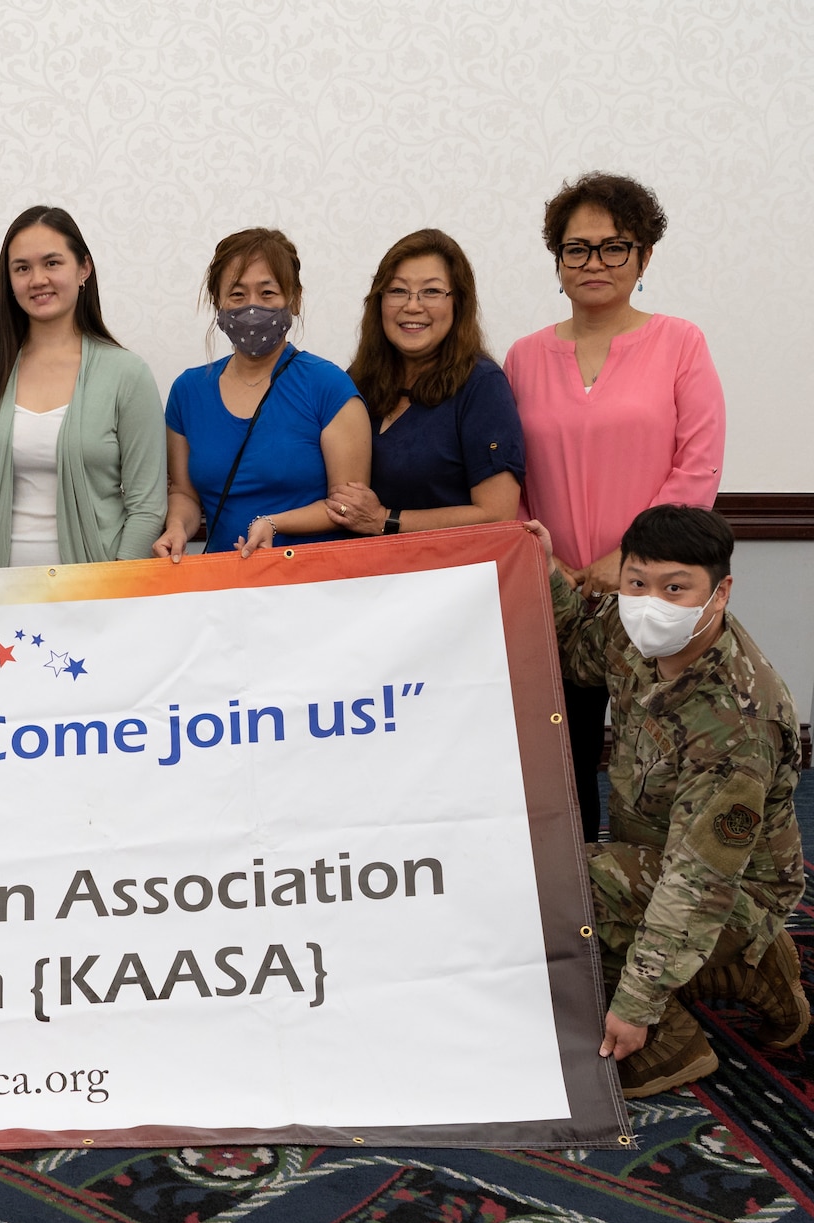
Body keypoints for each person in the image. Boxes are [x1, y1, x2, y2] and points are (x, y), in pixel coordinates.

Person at [527, 505, 804, 1097]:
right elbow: (576, 645)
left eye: (675, 588)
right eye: (637, 583)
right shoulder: (632, 636)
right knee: (554, 880)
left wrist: (636, 1005)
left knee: (561, 890)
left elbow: (698, 882)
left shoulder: (736, 718)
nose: (650, 603)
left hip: (731, 890)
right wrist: (541, 561)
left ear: (720, 591)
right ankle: (742, 969)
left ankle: (672, 1044)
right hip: (652, 857)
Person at [505, 173, 725, 840]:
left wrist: (627, 561)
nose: (593, 263)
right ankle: (577, 913)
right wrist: (543, 561)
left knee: (650, 766)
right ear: (557, 260)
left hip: (651, 592)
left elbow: (698, 465)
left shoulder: (680, 343)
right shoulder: (523, 357)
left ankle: (649, 907)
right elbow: (505, 479)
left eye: (613, 247)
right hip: (555, 597)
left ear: (644, 256)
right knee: (559, 767)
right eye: (577, 249)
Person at [0, 206, 165, 568]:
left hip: (98, 597)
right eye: (22, 268)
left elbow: (147, 505)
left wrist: (117, 586)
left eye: (52, 263)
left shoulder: (128, 374)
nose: (37, 279)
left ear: (83, 269)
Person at [152, 229, 369, 561]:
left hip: (316, 586)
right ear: (218, 303)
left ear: (294, 299)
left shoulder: (329, 387)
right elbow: (185, 493)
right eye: (237, 295)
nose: (252, 308)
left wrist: (274, 522)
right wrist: (178, 527)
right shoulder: (188, 391)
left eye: (267, 293)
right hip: (225, 586)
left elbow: (348, 506)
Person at [329, 229, 524, 536]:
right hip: (365, 575)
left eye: (431, 292)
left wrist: (386, 520)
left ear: (458, 303)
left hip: (449, 576)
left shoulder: (483, 386)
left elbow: (497, 516)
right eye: (397, 291)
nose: (412, 306)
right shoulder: (357, 379)